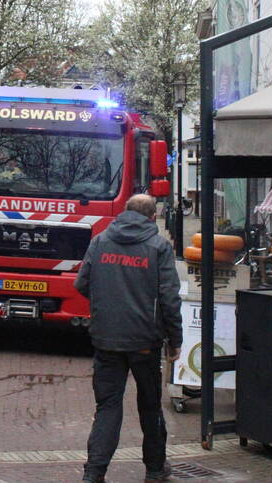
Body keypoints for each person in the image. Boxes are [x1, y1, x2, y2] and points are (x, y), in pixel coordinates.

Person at [75, 193, 182, 483]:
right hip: (145, 341)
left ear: (124, 212)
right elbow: (169, 298)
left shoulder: (100, 241)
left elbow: (81, 283)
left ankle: (94, 472)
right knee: (149, 406)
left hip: (106, 339)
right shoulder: (158, 246)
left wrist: (106, 305)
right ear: (152, 217)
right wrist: (175, 339)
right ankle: (155, 469)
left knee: (107, 407)